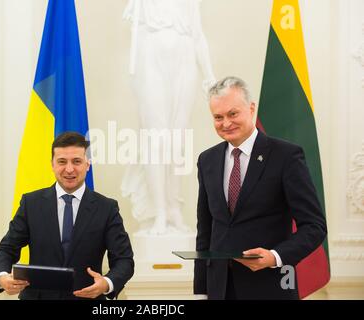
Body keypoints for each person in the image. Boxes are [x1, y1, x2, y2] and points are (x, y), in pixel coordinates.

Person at [194, 76, 327, 299]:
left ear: (251, 108)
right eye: (218, 117)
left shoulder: (286, 156)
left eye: (233, 114)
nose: (225, 123)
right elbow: (205, 232)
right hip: (219, 290)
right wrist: (201, 292)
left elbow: (314, 226)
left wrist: (275, 256)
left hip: (271, 287)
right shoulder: (207, 160)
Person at [0, 132, 134, 300]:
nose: (69, 169)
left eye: (77, 161)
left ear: (88, 164)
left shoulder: (107, 208)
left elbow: (124, 260)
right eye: (61, 162)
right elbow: (6, 250)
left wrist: (107, 283)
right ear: (52, 165)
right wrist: (2, 277)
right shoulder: (31, 203)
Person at [122, 0, 216, 235]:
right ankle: (159, 212)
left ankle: (173, 208)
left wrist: (210, 77)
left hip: (185, 61)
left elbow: (198, 35)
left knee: (177, 139)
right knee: (156, 138)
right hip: (151, 58)